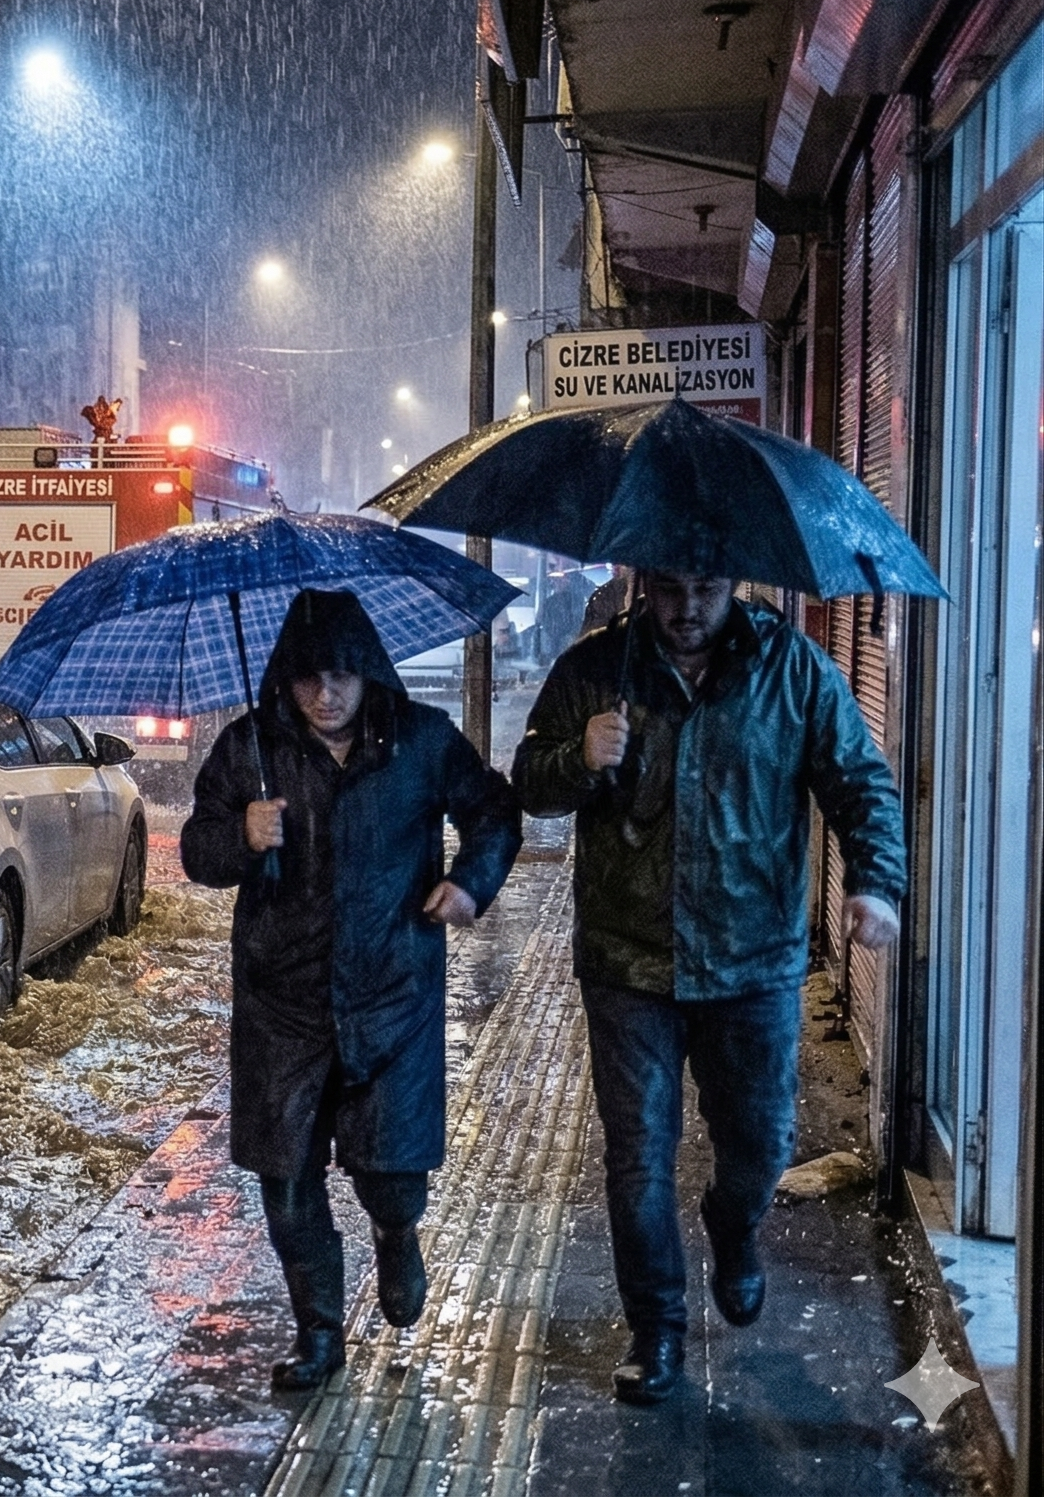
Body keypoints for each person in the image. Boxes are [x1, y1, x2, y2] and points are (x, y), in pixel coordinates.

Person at [512, 571, 903, 1405]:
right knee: (638, 1155)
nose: (687, 608)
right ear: (644, 583)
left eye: (706, 588)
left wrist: (876, 882)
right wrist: (579, 758)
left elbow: (858, 781)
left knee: (760, 1142)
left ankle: (733, 1223)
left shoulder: (791, 668)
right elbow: (529, 781)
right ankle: (656, 1329)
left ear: (731, 582)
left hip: (752, 960)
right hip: (629, 961)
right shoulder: (596, 667)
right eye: (669, 588)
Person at [185, 590, 523, 1390]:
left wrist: (470, 883)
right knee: (286, 1181)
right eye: (308, 678)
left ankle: (397, 1235)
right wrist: (240, 836)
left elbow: (494, 812)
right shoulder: (250, 749)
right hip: (282, 1002)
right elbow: (198, 851)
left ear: (369, 671)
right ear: (285, 679)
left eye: (341, 675)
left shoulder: (420, 739)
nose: (325, 695)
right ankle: (319, 1332)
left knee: (391, 1173)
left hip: (392, 994)